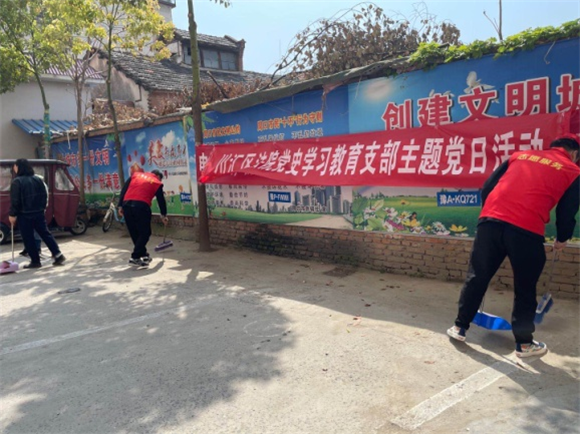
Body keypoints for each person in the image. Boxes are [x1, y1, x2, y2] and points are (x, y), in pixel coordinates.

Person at [447, 134, 580, 358]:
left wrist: (490, 215)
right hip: (526, 230)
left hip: (490, 222)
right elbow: (566, 211)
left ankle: (459, 327)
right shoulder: (573, 171)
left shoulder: (520, 156)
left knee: (477, 276)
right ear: (574, 153)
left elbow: (488, 187)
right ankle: (524, 344)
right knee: (525, 287)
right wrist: (562, 238)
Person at [9, 159, 66, 269]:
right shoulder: (38, 180)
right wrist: (41, 209)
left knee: (28, 237)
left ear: (19, 167)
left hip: (24, 214)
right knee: (45, 234)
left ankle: (35, 261)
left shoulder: (17, 182)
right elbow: (44, 196)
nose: (14, 169)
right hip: (38, 213)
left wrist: (12, 214)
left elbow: (15, 201)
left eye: (15, 166)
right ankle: (58, 255)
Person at [118, 169, 168, 267]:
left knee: (135, 232)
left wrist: (120, 206)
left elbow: (124, 190)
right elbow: (161, 200)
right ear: (158, 176)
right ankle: (135, 257)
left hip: (126, 205)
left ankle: (144, 255)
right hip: (141, 206)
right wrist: (163, 215)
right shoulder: (156, 182)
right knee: (145, 233)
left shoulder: (135, 175)